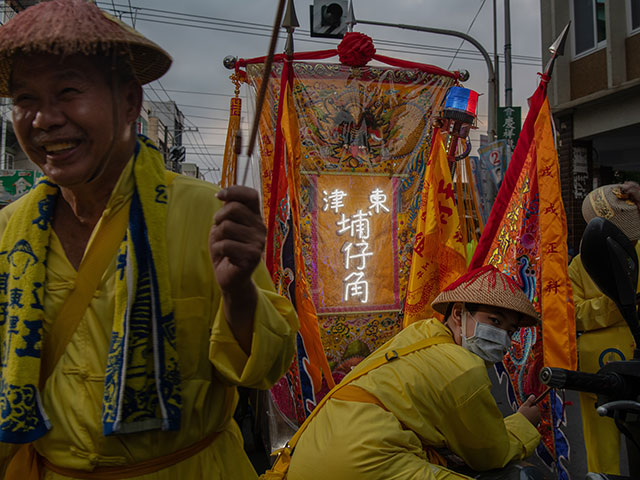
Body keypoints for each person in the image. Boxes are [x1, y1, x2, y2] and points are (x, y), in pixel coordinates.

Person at [0, 0, 299, 478]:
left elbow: (266, 369)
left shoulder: (209, 215)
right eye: (25, 100)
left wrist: (239, 292)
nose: (44, 119)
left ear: (130, 102)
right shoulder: (8, 232)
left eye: (68, 91)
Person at [285, 265, 541, 480]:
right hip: (362, 459)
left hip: (311, 455)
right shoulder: (464, 370)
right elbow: (489, 454)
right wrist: (522, 424)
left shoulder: (420, 333)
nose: (502, 338)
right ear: (459, 313)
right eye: (494, 322)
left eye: (509, 331)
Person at [569, 181, 640, 476]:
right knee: (601, 446)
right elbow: (571, 316)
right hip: (601, 366)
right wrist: (617, 305)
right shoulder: (579, 264)